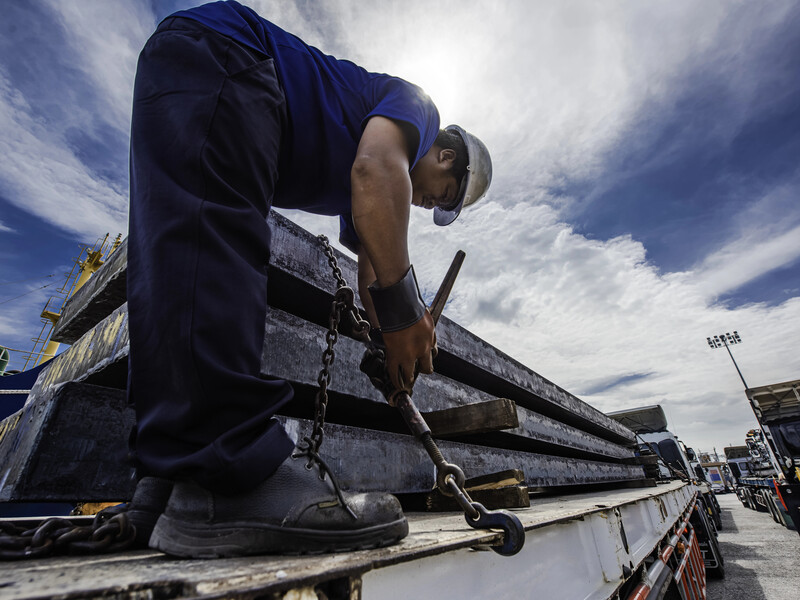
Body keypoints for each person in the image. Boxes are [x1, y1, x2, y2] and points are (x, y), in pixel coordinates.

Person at [126, 0, 492, 558]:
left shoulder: (369, 176)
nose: (429, 204)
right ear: (445, 154)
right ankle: (227, 475)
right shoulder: (418, 107)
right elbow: (377, 173)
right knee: (219, 247)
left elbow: (373, 257)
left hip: (190, 57)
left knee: (182, 249)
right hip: (232, 57)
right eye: (441, 194)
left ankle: (173, 476)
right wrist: (405, 314)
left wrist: (385, 349)